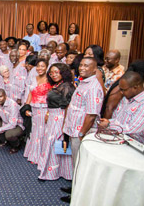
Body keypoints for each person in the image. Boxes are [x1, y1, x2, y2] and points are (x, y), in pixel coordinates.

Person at [60, 57, 104, 203]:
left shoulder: (93, 87)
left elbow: (91, 115)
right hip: (73, 129)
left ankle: (77, 196)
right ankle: (74, 187)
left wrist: (81, 134)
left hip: (80, 133)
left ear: (94, 70)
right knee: (76, 163)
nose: (82, 68)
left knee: (81, 165)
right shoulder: (83, 82)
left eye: (87, 66)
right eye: (82, 65)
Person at [38, 63, 74, 181]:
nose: (53, 75)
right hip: (53, 116)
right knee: (52, 142)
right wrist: (48, 113)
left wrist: (64, 125)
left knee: (55, 142)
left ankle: (52, 172)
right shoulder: (58, 85)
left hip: (60, 117)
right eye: (51, 73)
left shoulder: (67, 86)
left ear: (63, 72)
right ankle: (56, 170)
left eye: (56, 72)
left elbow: (67, 107)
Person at [23, 59, 51, 165]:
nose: (40, 68)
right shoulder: (34, 78)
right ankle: (32, 154)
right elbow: (30, 93)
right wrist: (27, 107)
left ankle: (39, 156)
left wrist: (48, 113)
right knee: (34, 131)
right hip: (34, 108)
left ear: (47, 67)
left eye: (43, 66)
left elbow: (50, 97)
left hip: (44, 109)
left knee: (41, 132)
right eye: (38, 66)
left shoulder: (49, 80)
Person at [99, 71, 144, 135]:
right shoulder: (126, 98)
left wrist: (109, 125)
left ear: (135, 87)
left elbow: (132, 129)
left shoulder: (142, 103)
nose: (121, 92)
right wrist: (109, 122)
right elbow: (118, 119)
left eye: (124, 90)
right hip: (118, 137)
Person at [0, 89, 23, 153]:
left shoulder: (12, 105)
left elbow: (12, 124)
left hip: (17, 125)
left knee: (9, 134)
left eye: (0, 96)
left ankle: (16, 145)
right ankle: (5, 140)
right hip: (5, 123)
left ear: (5, 96)